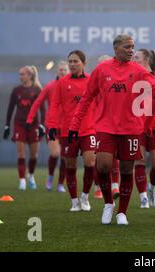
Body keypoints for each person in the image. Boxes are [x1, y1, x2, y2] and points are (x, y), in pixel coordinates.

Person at [70, 34, 155, 225]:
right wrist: (75, 125)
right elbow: (86, 99)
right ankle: (108, 204)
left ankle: (122, 212)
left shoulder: (139, 70)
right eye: (127, 47)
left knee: (126, 169)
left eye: (133, 47)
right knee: (103, 166)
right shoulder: (101, 70)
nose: (131, 50)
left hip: (131, 128)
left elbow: (154, 88)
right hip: (105, 127)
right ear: (116, 48)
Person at [47, 50, 96, 212]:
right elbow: (54, 105)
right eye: (70, 61)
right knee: (70, 165)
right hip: (68, 132)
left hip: (89, 130)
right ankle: (74, 200)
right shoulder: (62, 83)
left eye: (76, 61)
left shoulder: (91, 81)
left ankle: (85, 196)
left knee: (90, 163)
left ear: (84, 63)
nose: (73, 64)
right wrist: (52, 125)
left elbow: (101, 103)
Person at [26, 61, 68, 192]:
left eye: (64, 70)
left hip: (68, 126)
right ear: (57, 71)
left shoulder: (73, 86)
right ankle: (50, 177)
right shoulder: (50, 87)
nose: (62, 72)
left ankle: (60, 183)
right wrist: (30, 119)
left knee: (66, 157)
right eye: (60, 70)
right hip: (52, 125)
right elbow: (38, 102)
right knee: (55, 153)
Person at [4, 65, 45, 190]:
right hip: (19, 124)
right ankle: (22, 181)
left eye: (22, 74)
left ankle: (31, 175)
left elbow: (43, 110)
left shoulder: (38, 90)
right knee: (21, 154)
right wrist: (7, 125)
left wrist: (42, 125)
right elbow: (10, 108)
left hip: (33, 125)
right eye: (19, 74)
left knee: (34, 156)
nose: (20, 76)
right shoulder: (16, 90)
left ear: (30, 76)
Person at [133, 48, 155, 208]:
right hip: (137, 126)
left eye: (137, 57)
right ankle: (143, 196)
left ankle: (151, 187)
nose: (134, 59)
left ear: (147, 60)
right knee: (140, 160)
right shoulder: (132, 77)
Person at [94, 54, 120, 200]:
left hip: (115, 125)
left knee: (115, 156)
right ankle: (97, 186)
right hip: (97, 125)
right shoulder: (94, 81)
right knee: (97, 159)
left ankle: (115, 185)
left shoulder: (116, 81)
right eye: (100, 64)